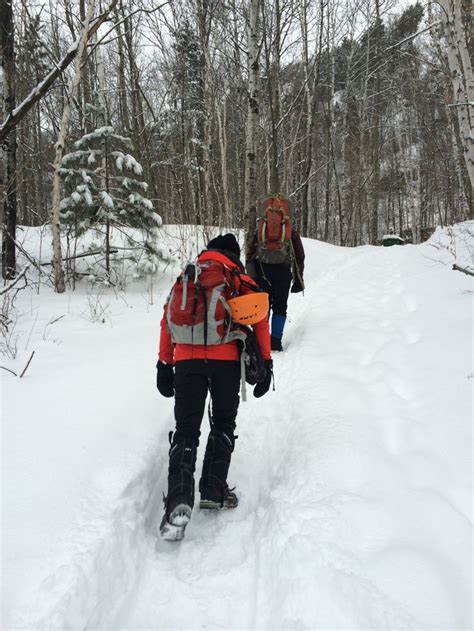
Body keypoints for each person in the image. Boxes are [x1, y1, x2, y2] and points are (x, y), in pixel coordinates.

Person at [156, 233, 272, 541]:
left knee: (186, 429)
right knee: (222, 422)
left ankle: (179, 500)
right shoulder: (236, 277)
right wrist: (266, 364)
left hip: (186, 361)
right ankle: (213, 489)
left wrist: (164, 363)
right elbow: (260, 317)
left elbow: (166, 320)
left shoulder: (189, 275)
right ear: (232, 255)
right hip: (225, 362)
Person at [246, 208, 305, 352]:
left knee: (263, 306)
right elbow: (299, 256)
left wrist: (251, 276)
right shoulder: (290, 230)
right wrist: (298, 279)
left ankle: (262, 340)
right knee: (280, 306)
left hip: (262, 271)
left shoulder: (261, 229)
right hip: (283, 272)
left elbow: (250, 253)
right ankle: (276, 342)